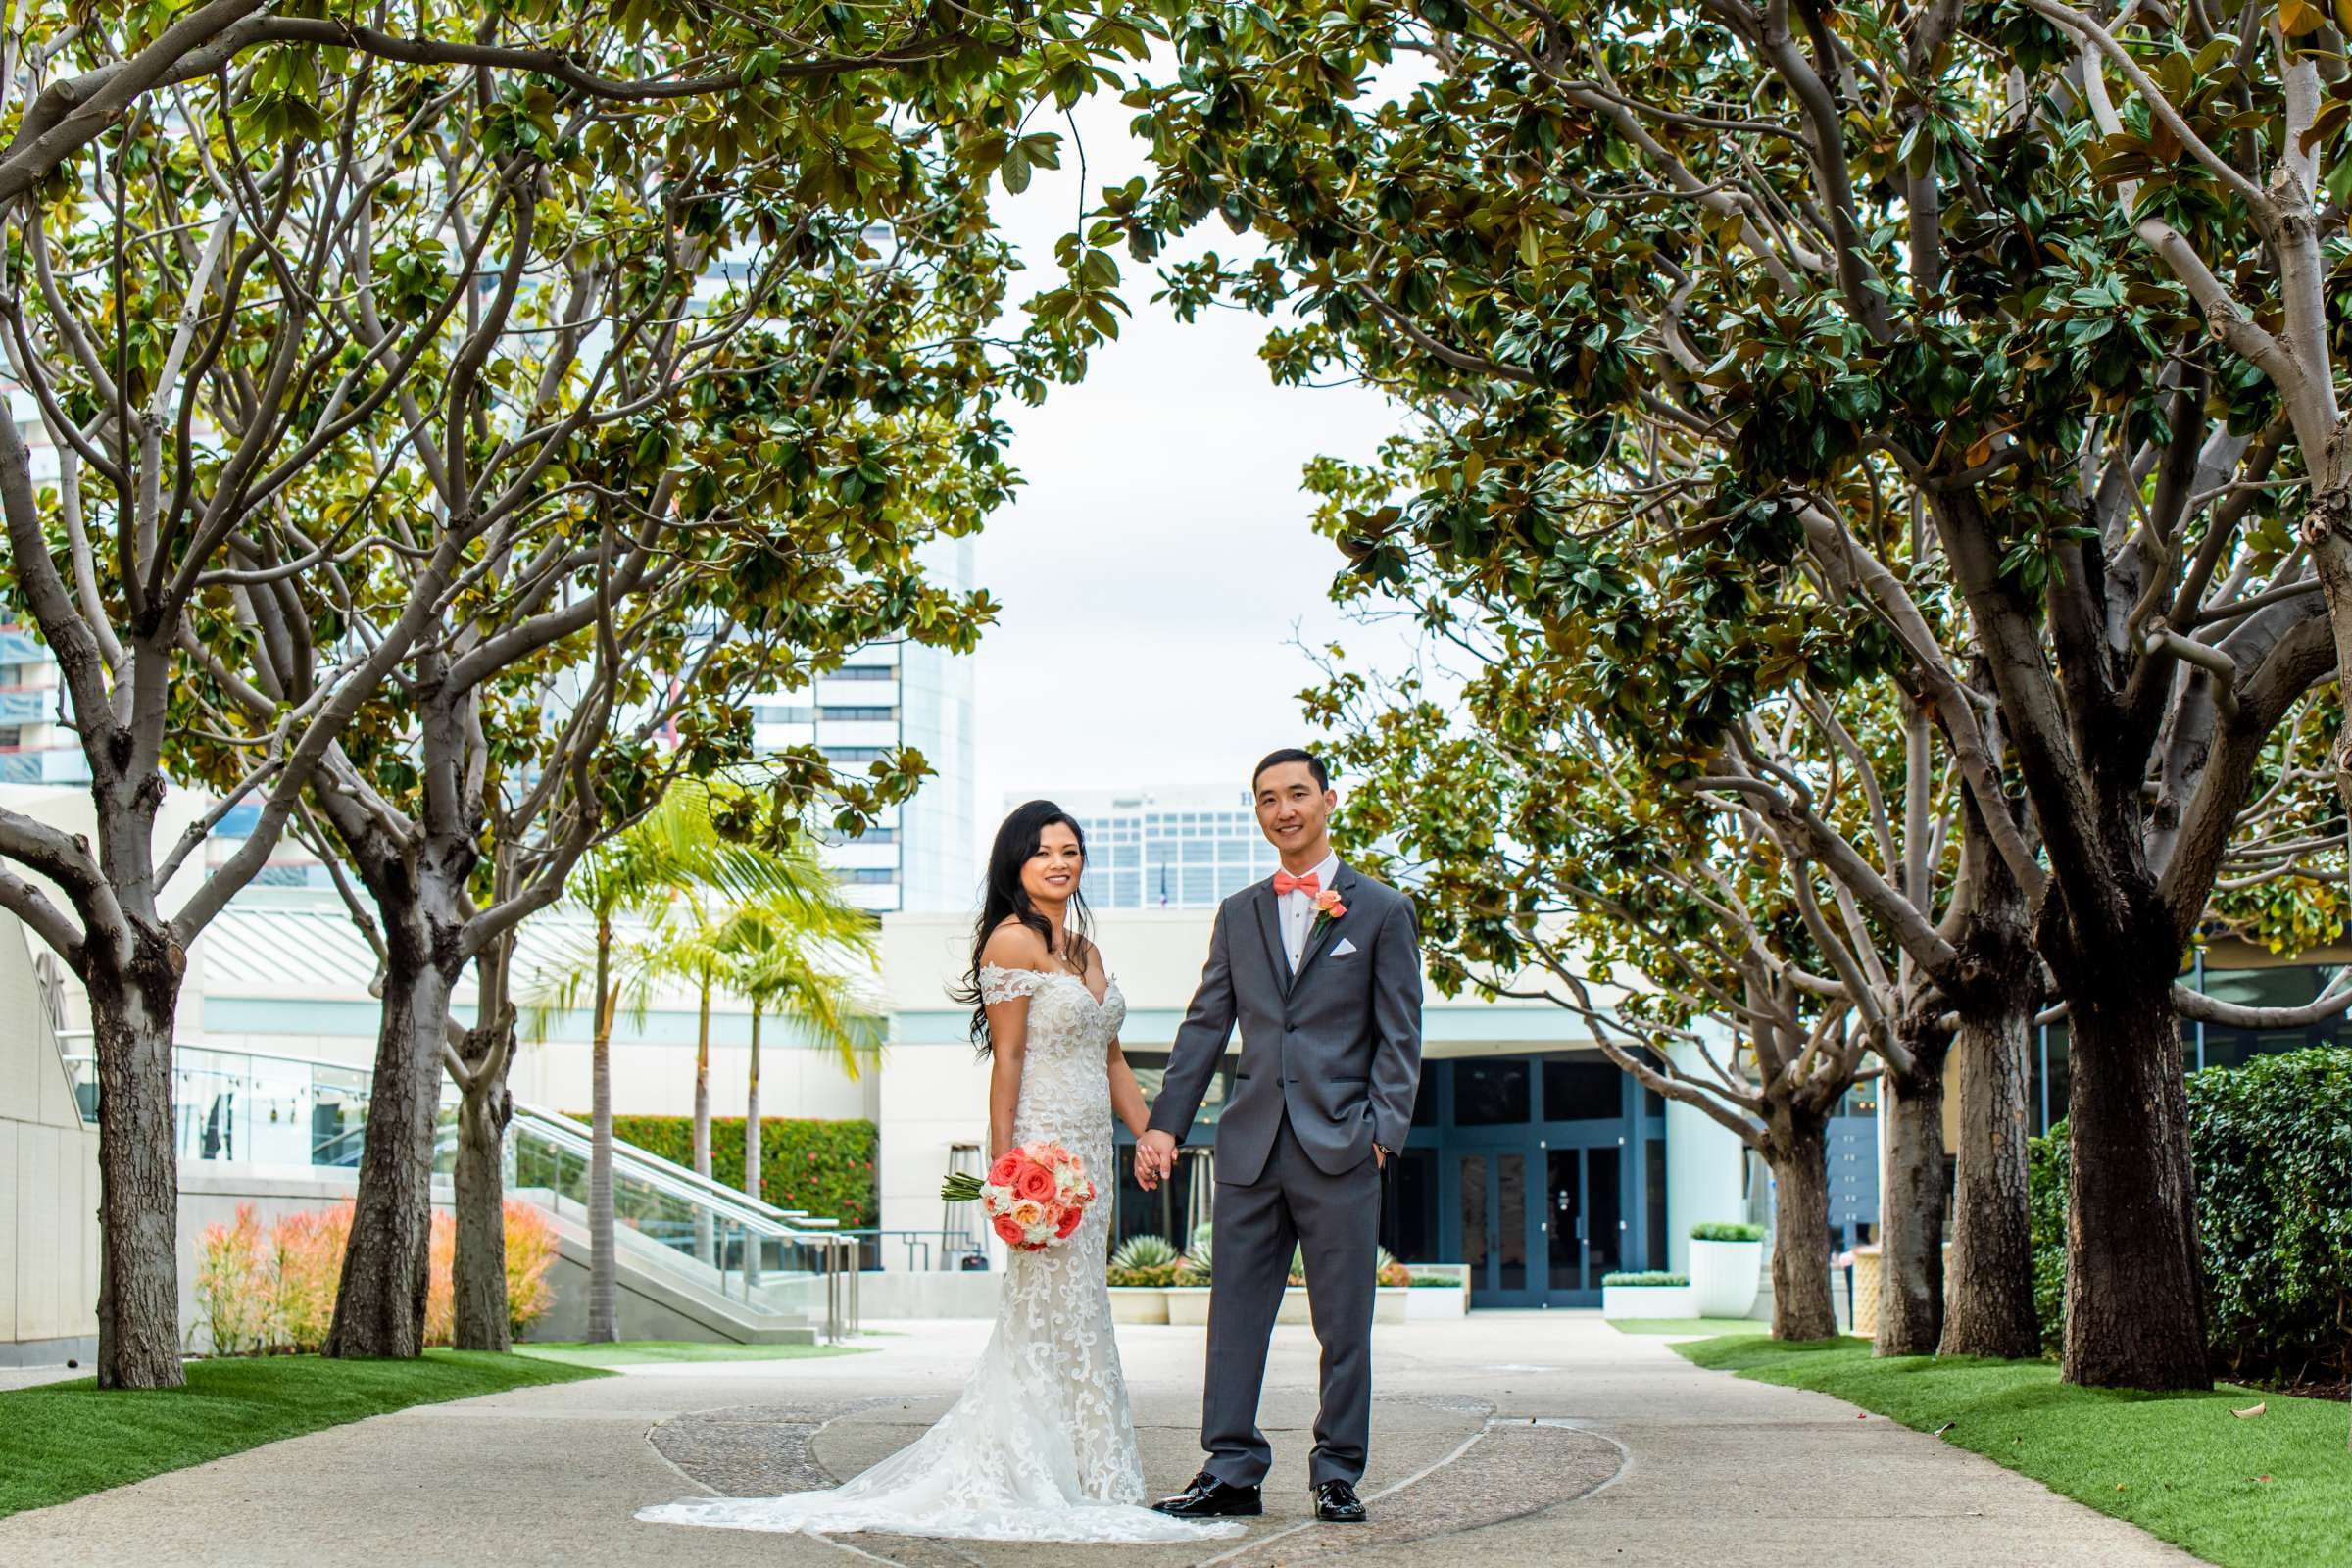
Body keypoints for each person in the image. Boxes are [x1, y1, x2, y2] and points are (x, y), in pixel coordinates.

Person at [636, 801, 1240, 1544]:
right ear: (1016, 863)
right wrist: (1006, 1174)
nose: (1060, 862)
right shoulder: (1010, 943)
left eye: (1072, 850)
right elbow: (1008, 1061)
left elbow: (1113, 1057)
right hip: (1041, 1152)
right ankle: (1038, 1469)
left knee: (1083, 1309)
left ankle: (1096, 1473)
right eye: (1043, 851)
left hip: (1093, 1156)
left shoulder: (1086, 950)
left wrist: (1149, 1135)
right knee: (1043, 1313)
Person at [1137, 748, 1424, 1525]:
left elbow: (1400, 1037)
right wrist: (1164, 1124)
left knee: (1344, 1323)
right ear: (1258, 813)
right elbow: (1205, 1027)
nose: (1284, 809)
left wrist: (1381, 1134)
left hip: (1342, 1146)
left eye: (1298, 793)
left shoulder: (1384, 911)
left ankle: (1338, 1471)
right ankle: (1231, 1468)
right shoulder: (1238, 913)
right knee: (1233, 1318)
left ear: (1328, 800)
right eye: (1268, 798)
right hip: (1250, 1147)